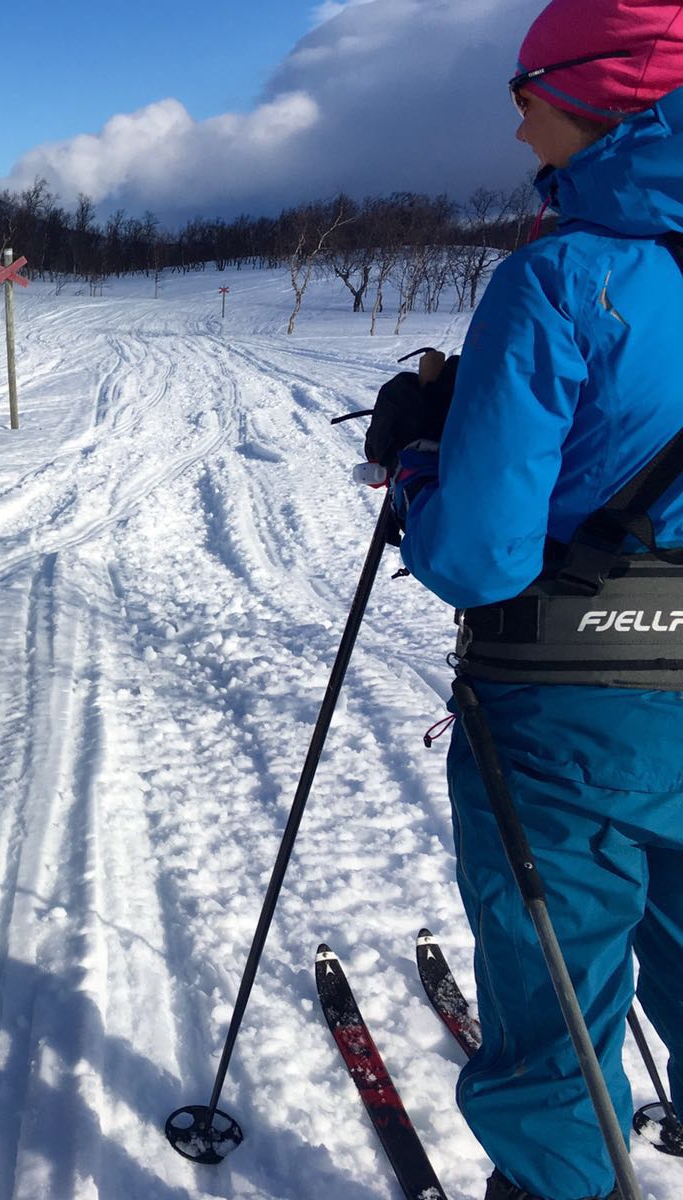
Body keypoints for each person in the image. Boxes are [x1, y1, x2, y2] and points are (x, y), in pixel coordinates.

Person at [367, 3, 683, 1197]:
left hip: (565, 718)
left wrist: (417, 463)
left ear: (600, 98)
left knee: (556, 990)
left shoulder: (558, 279)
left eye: (524, 96)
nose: (514, 126)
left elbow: (478, 558)